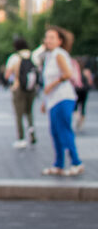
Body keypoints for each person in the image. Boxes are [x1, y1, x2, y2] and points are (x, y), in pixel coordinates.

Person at [38, 26, 84, 176]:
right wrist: (45, 101)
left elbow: (67, 74)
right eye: (47, 37)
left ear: (60, 40)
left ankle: (76, 162)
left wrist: (52, 85)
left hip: (63, 98)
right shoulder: (49, 56)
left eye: (52, 37)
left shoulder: (59, 54)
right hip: (53, 99)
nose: (48, 40)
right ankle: (58, 164)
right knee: (55, 132)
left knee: (64, 130)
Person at [4, 37, 39, 149]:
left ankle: (21, 138)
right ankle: (32, 135)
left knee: (19, 114)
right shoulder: (34, 56)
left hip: (18, 88)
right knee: (29, 112)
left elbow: (7, 75)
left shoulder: (14, 57)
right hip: (31, 88)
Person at [73, 56, 93, 132]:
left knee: (75, 106)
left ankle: (77, 118)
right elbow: (90, 82)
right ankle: (81, 122)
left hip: (76, 90)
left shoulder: (74, 70)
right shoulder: (87, 71)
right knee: (83, 106)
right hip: (84, 91)